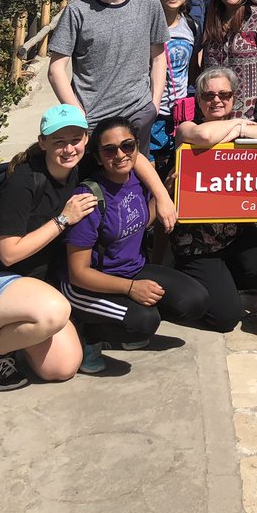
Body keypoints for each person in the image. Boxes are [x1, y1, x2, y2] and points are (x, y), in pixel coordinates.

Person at [0, 103, 176, 390]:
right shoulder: (23, 182)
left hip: (33, 286)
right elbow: (9, 254)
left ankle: (18, 334)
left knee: (63, 367)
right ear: (43, 142)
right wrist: (63, 220)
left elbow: (133, 155)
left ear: (85, 140)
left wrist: (162, 196)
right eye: (58, 141)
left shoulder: (79, 165)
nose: (68, 149)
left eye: (75, 139)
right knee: (55, 311)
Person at [63, 117, 209, 372]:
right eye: (109, 150)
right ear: (98, 157)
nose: (120, 155)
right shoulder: (89, 197)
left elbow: (139, 222)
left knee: (194, 301)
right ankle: (89, 334)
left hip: (133, 269)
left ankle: (118, 325)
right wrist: (131, 288)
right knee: (144, 322)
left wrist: (164, 193)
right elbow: (78, 274)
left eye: (127, 146)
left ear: (137, 148)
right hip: (90, 285)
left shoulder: (137, 180)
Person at [172, 67, 257, 331]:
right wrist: (240, 127)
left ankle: (223, 282)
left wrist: (238, 128)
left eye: (224, 94)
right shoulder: (187, 127)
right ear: (199, 100)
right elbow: (204, 137)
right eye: (208, 95)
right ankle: (194, 282)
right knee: (224, 319)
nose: (217, 100)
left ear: (234, 98)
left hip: (232, 234)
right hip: (197, 242)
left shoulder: (241, 126)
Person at [49, 0, 167, 152]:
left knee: (137, 174)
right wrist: (78, 115)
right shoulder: (77, 11)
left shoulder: (150, 4)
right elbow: (55, 69)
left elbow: (159, 58)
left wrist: (154, 105)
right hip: (93, 122)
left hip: (138, 114)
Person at [150, 0, 200, 177]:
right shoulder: (146, 25)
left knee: (175, 172)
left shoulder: (191, 26)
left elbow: (193, 67)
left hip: (180, 113)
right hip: (151, 112)